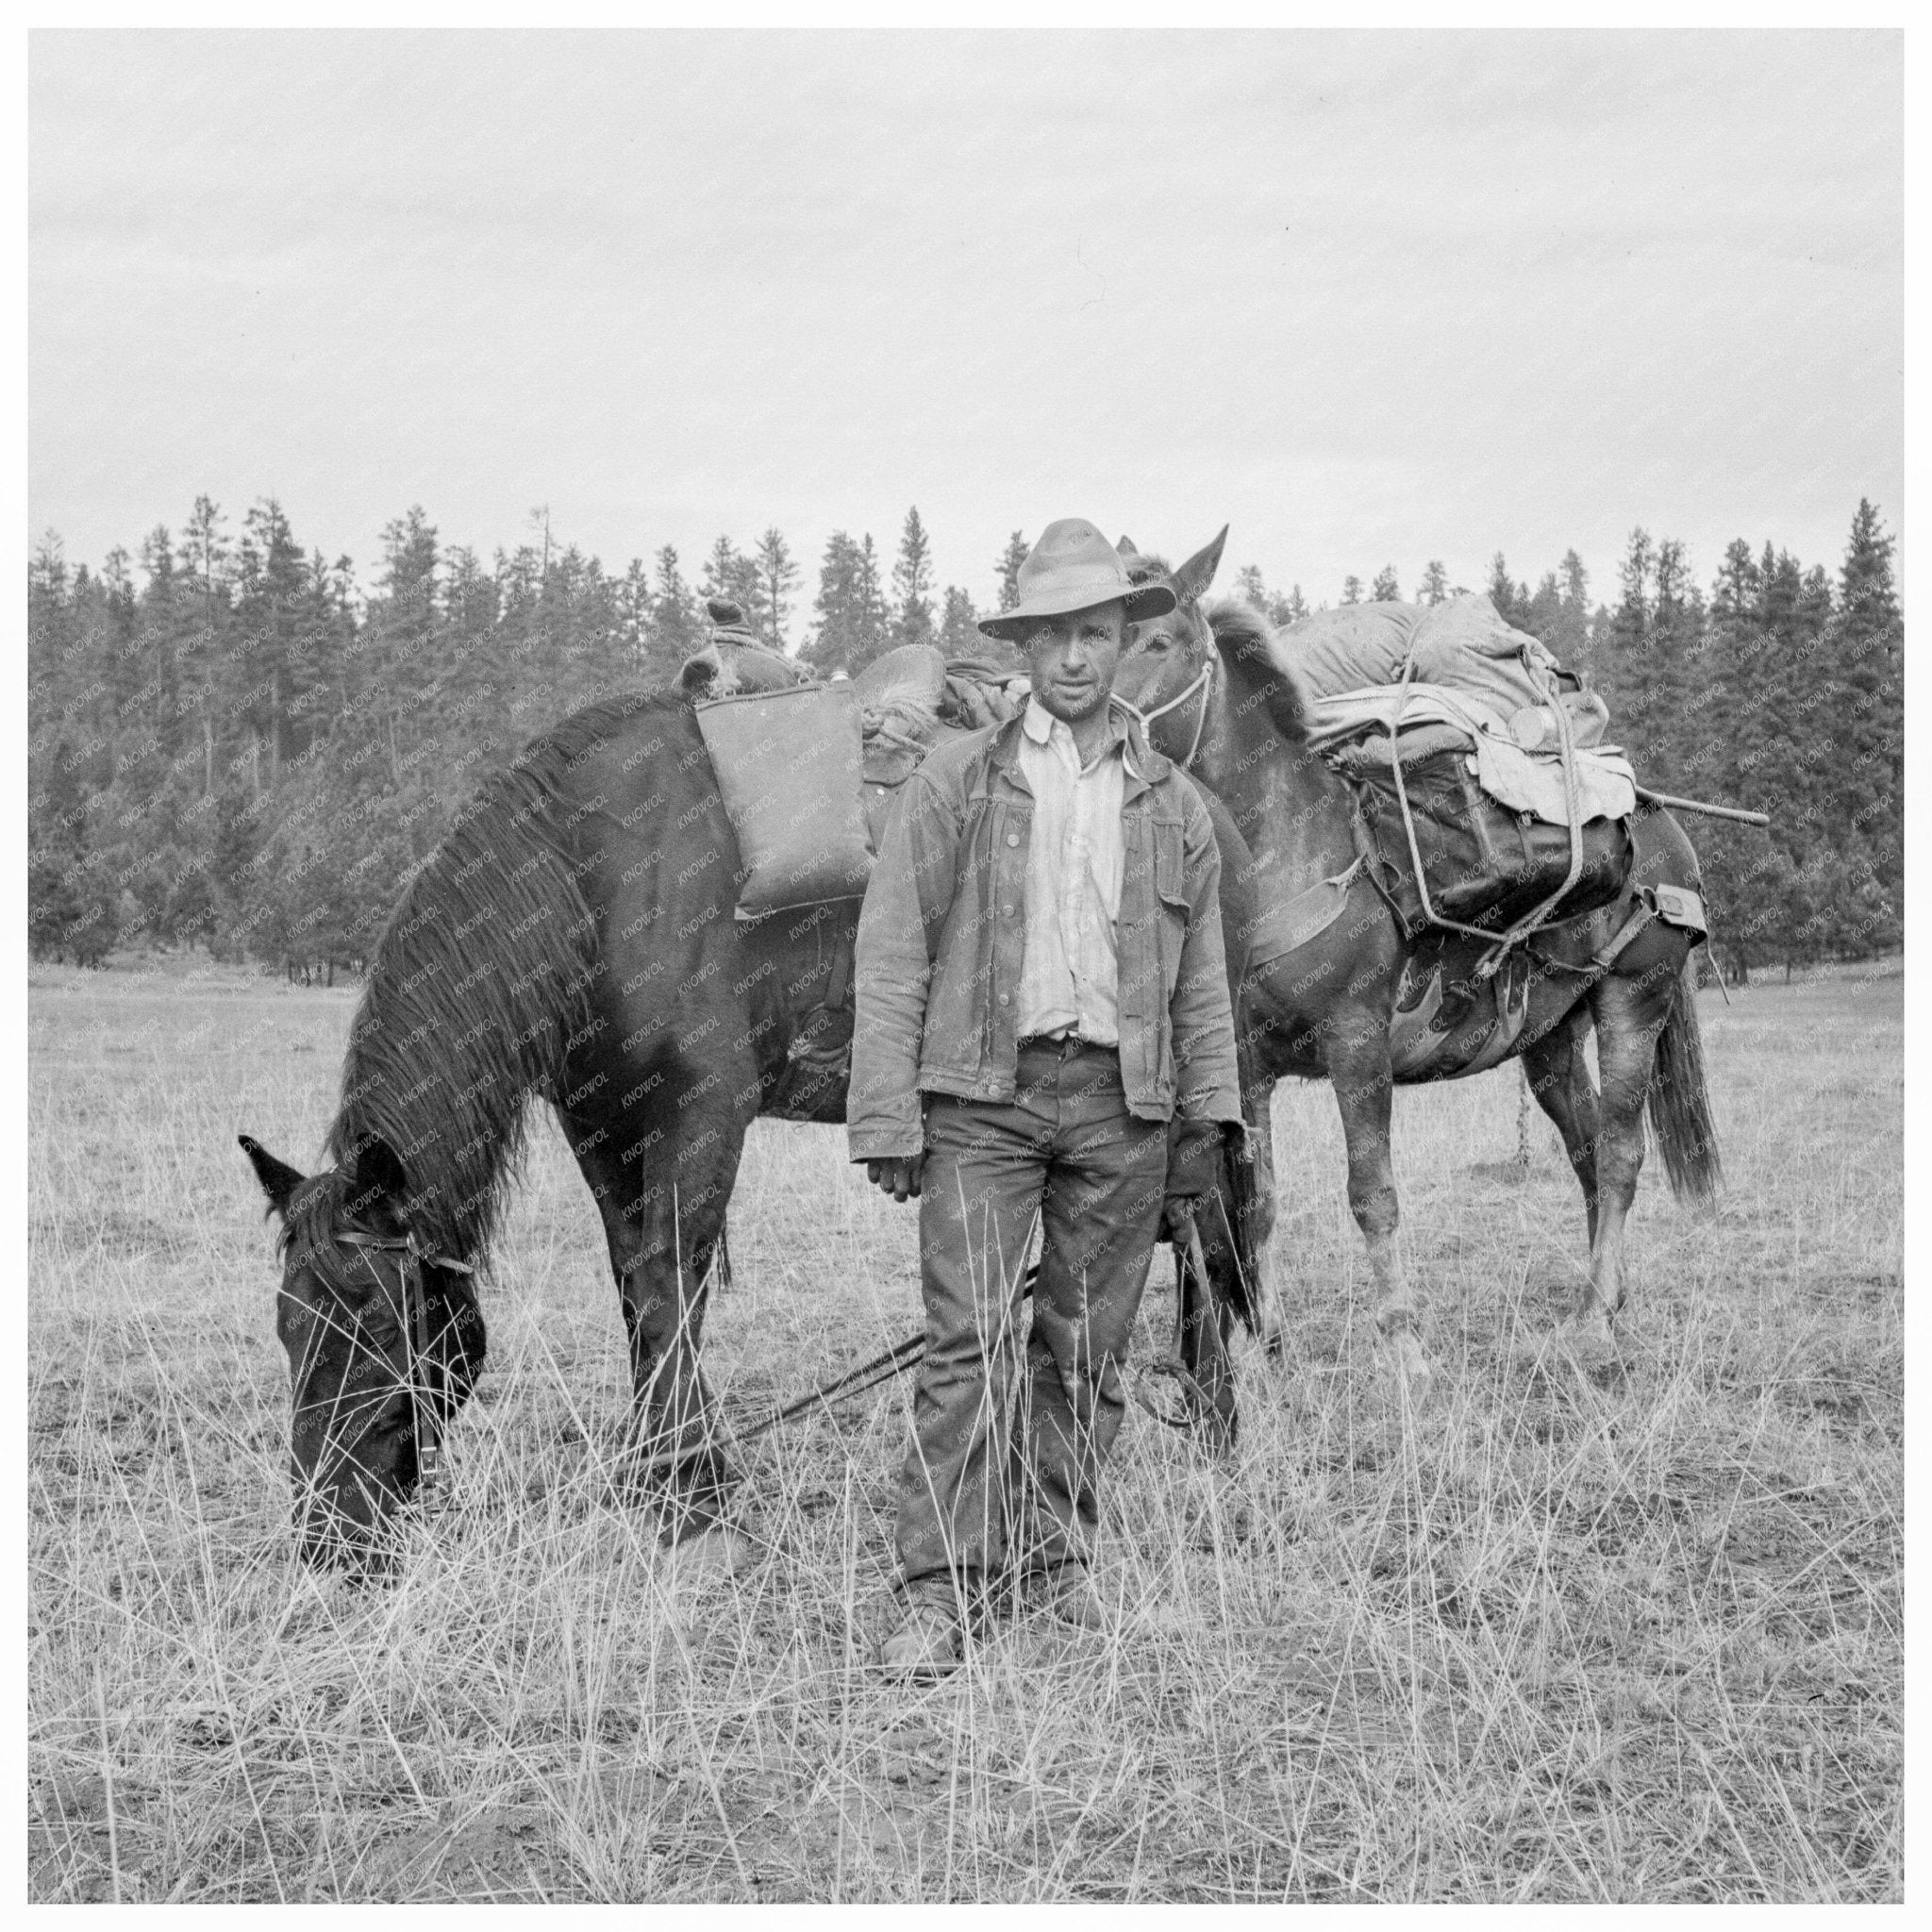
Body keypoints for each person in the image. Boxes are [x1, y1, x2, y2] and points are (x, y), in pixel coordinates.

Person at [846, 517, 1244, 1678]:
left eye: (1094, 633)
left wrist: (1205, 1127)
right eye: (1050, 636)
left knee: (1084, 1350)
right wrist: (887, 1114)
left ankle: (1054, 1560)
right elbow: (893, 952)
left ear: (1125, 642)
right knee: (964, 1343)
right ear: (1020, 648)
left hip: (1123, 1110)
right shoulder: (954, 781)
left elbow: (1202, 984)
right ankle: (937, 1585)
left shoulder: (1174, 806)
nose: (1072, 657)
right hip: (984, 1098)